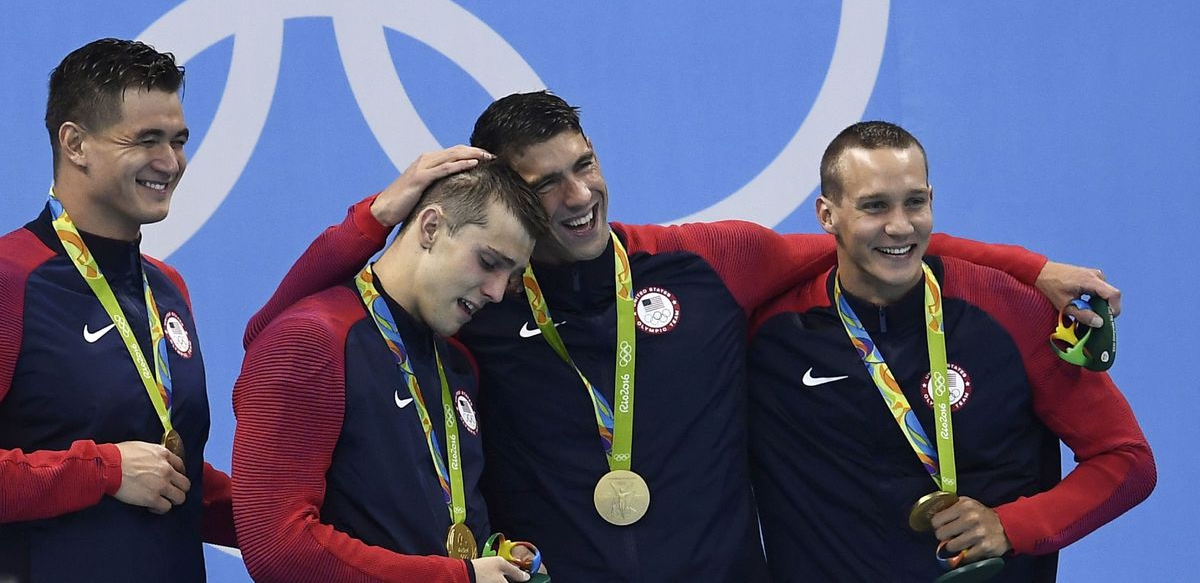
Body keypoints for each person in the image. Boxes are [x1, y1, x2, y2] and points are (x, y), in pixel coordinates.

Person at [244, 92, 1118, 582]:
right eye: (545, 185)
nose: (579, 196)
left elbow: (871, 239)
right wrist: (377, 216)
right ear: (502, 201)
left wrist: (1027, 267)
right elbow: (283, 329)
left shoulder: (711, 263)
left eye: (584, 164)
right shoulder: (477, 307)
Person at [747, 121, 1155, 581]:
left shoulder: (1010, 310)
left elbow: (1127, 460)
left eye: (915, 202)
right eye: (874, 206)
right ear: (826, 216)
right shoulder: (771, 333)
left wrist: (1012, 525)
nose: (900, 226)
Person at [232, 161, 549, 583]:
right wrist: (458, 579)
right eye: (488, 261)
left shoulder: (458, 362)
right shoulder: (311, 341)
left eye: (509, 277)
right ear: (431, 227)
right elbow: (279, 550)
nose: (495, 291)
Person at [0, 38, 237, 581]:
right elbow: (125, 470)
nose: (170, 162)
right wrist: (103, 471)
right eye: (146, 140)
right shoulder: (10, 279)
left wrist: (302, 519)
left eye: (178, 140)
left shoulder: (166, 287)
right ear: (76, 143)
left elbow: (171, 476)